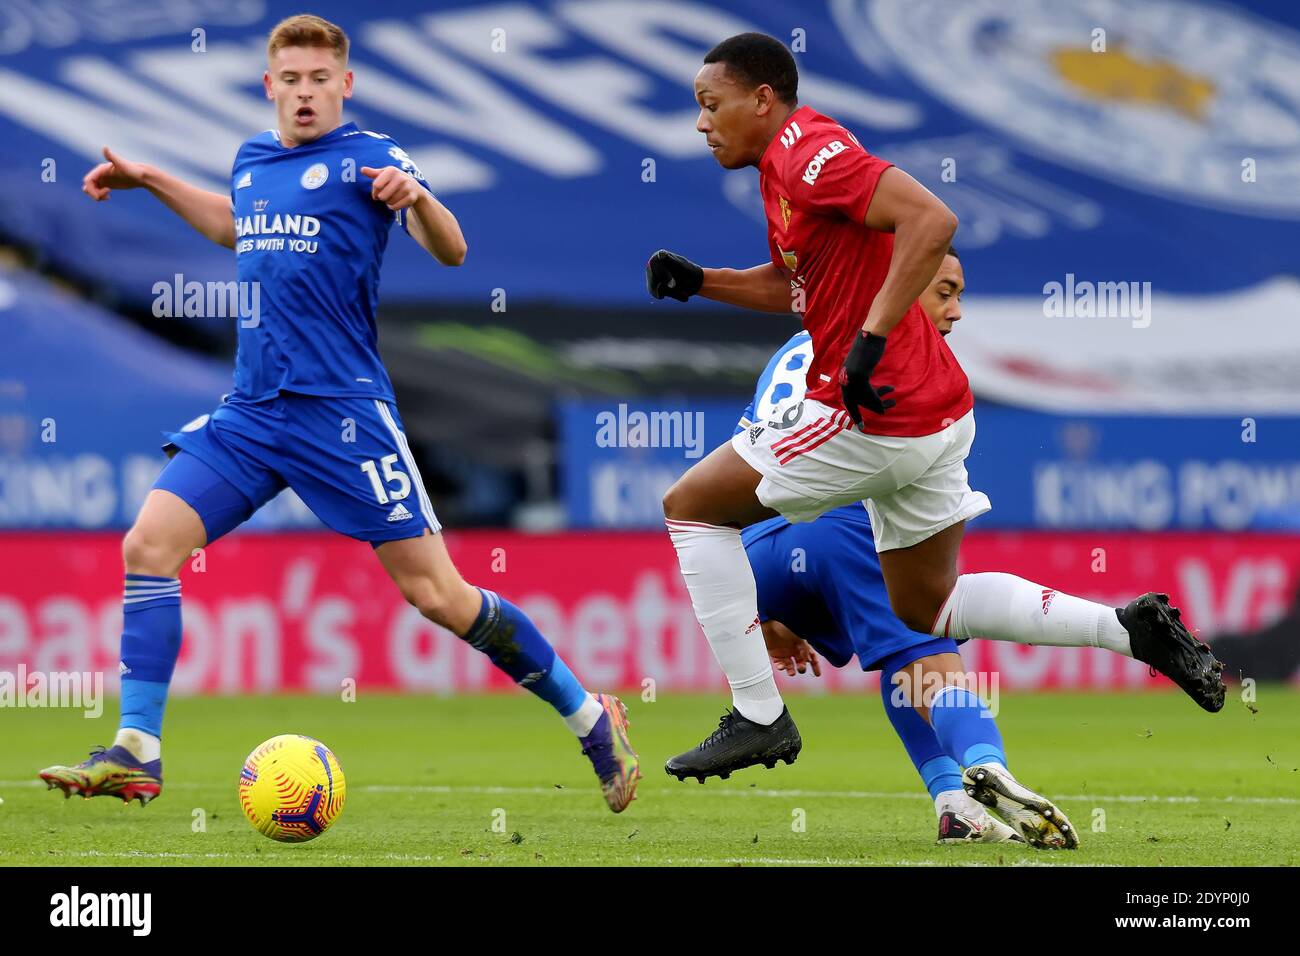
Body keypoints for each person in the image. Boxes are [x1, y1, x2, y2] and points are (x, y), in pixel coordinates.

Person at [41, 13, 639, 814]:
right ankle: (137, 751)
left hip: (342, 417)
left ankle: (592, 717)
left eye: (320, 79)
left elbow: (453, 248)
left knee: (439, 596)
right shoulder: (254, 161)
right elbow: (233, 224)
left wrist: (417, 196)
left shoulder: (373, 159)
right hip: (253, 413)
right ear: (269, 87)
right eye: (290, 80)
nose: (305, 93)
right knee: (148, 544)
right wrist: (151, 179)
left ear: (344, 85)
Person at [646, 32, 1224, 788]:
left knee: (691, 508)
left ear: (762, 100)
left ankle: (758, 712)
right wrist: (703, 281)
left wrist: (868, 342)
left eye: (710, 105)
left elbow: (933, 219)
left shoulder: (807, 151)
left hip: (873, 412)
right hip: (939, 414)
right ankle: (1125, 630)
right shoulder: (785, 177)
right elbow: (795, 287)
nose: (701, 123)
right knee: (928, 606)